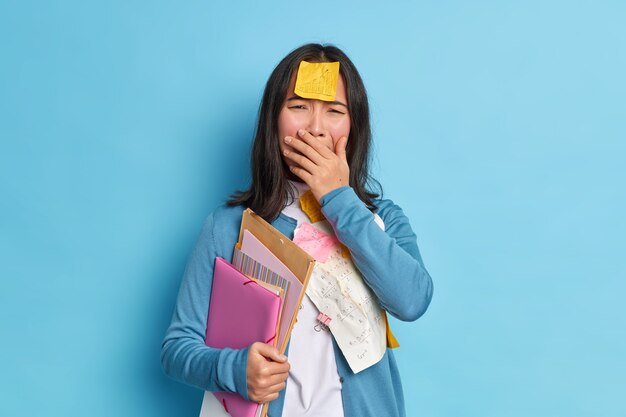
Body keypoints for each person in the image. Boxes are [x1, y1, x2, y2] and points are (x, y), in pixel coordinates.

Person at [161, 43, 434, 417]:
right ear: (274, 120)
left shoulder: (380, 219)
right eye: (298, 107)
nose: (315, 128)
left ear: (354, 126)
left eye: (335, 111)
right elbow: (177, 348)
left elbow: (412, 300)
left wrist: (338, 198)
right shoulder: (229, 226)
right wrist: (236, 371)